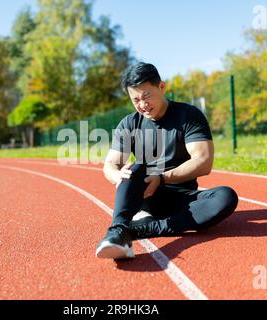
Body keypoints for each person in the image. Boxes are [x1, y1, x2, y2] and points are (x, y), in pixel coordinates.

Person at [96, 62, 239, 260]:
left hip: (183, 197)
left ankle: (140, 229)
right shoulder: (129, 123)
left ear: (161, 87)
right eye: (135, 100)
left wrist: (162, 178)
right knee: (133, 169)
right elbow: (110, 165)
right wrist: (117, 175)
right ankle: (118, 230)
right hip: (145, 196)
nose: (143, 105)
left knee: (226, 197)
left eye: (146, 96)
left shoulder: (188, 116)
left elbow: (203, 160)